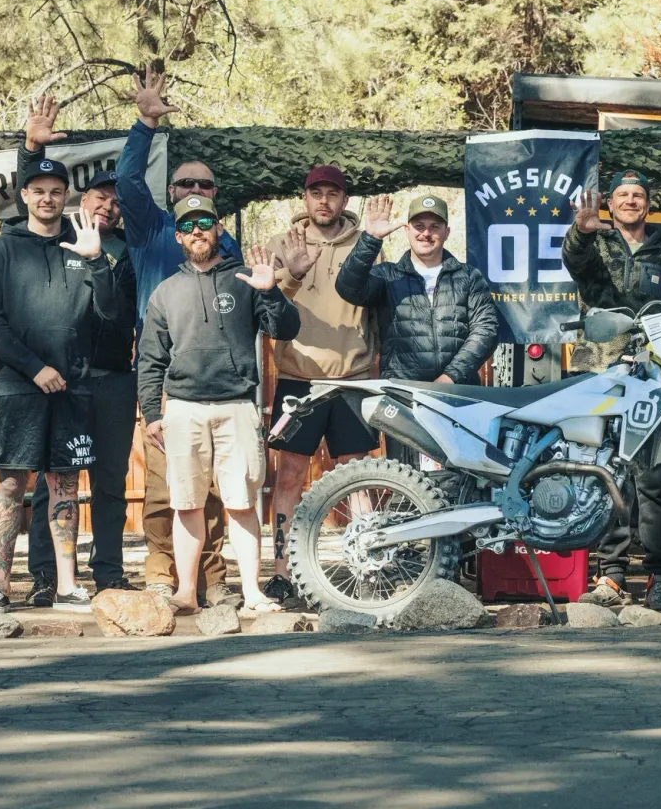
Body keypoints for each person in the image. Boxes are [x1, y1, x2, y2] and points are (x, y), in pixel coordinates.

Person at [137, 196, 300, 615]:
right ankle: (185, 593)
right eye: (187, 226)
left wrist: (272, 291)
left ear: (219, 229)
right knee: (186, 504)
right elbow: (151, 360)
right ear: (178, 236)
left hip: (237, 406)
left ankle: (253, 593)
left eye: (205, 223)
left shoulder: (245, 279)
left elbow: (286, 329)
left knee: (242, 503)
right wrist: (152, 414)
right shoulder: (165, 292)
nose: (197, 231)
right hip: (183, 408)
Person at [0, 158, 121, 614]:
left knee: (66, 486)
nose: (47, 199)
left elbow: (110, 312)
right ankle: (0, 586)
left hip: (73, 388)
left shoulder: (84, 245)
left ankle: (67, 586)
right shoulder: (1, 251)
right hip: (18, 387)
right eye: (38, 190)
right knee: (11, 485)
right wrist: (34, 368)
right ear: (25, 196)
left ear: (66, 197)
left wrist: (96, 261)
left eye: (56, 191)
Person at [118, 63, 238, 604]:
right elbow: (126, 182)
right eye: (185, 183)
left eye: (203, 185)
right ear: (170, 191)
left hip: (219, 381)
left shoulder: (225, 244)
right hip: (166, 378)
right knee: (165, 485)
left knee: (213, 486)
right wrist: (145, 124)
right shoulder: (152, 229)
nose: (194, 190)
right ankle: (161, 572)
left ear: (215, 195)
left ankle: (212, 578)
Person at [18, 95, 139, 602]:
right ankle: (45, 575)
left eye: (116, 202)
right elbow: (25, 201)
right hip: (63, 379)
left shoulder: (130, 251)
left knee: (110, 480)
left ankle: (108, 571)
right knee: (53, 480)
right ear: (80, 201)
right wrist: (31, 149)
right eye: (99, 198)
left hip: (113, 380)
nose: (107, 207)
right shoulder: (56, 235)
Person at [563, 170, 661, 612]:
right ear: (611, 203)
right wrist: (582, 231)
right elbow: (573, 260)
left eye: (638, 195)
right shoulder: (595, 246)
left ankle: (658, 577)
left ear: (648, 204)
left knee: (654, 479)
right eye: (622, 194)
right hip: (599, 373)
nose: (631, 201)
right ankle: (611, 575)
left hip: (654, 379)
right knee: (605, 476)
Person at [262, 164, 380, 599]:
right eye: (316, 193)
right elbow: (267, 305)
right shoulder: (281, 244)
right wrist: (291, 273)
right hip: (298, 378)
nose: (324, 201)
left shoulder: (367, 245)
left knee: (357, 477)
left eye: (332, 193)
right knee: (289, 477)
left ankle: (367, 569)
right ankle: (282, 573)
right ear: (305, 198)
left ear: (344, 200)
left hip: (352, 379)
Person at [337, 195, 500, 412]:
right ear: (407, 231)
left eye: (435, 226)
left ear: (446, 232)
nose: (426, 233)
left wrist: (450, 377)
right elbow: (347, 287)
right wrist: (371, 239)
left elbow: (486, 330)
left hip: (460, 394)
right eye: (419, 226)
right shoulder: (387, 275)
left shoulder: (469, 277)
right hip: (402, 397)